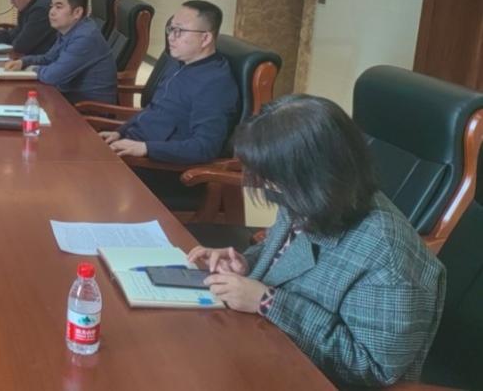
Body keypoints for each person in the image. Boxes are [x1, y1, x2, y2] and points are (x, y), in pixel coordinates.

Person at [188, 95, 445, 387]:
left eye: (272, 178)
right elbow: (286, 250)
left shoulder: (387, 258)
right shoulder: (313, 198)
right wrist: (246, 263)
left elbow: (373, 370)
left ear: (311, 176)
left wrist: (268, 302)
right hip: (269, 346)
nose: (268, 186)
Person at [100, 0, 238, 165]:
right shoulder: (179, 63)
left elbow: (204, 148)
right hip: (132, 145)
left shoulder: (215, 84)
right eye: (171, 29)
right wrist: (120, 132)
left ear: (205, 38)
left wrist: (145, 148)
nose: (171, 37)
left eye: (180, 31)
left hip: (157, 164)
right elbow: (153, 109)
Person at [4, 0, 117, 104]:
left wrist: (33, 69)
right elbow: (48, 58)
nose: (51, 12)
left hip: (88, 108)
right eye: (51, 6)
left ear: (77, 12)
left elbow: (52, 76)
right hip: (68, 98)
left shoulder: (85, 37)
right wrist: (23, 62)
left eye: (58, 7)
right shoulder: (68, 30)